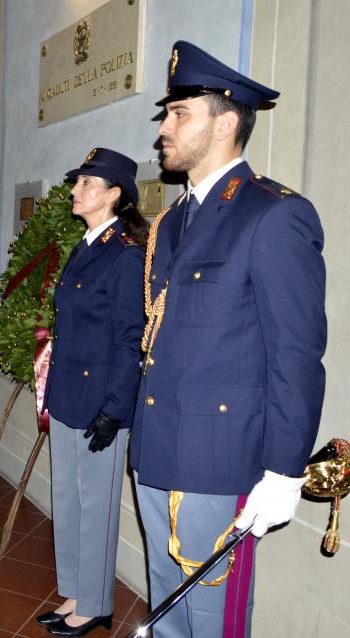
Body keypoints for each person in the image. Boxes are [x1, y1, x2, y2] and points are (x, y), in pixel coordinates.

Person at [130, 41, 326, 637]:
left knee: (211, 622)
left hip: (220, 461)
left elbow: (295, 352)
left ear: (226, 121)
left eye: (179, 113)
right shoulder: (171, 221)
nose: (164, 127)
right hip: (158, 446)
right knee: (165, 612)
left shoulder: (273, 215)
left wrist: (284, 470)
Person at [36, 149, 147, 636]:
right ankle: (76, 591)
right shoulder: (85, 245)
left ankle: (97, 603)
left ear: (114, 194)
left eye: (86, 183)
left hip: (101, 400)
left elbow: (130, 337)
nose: (75, 191)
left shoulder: (123, 253)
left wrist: (115, 408)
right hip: (66, 394)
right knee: (69, 499)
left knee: (96, 504)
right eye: (76, 182)